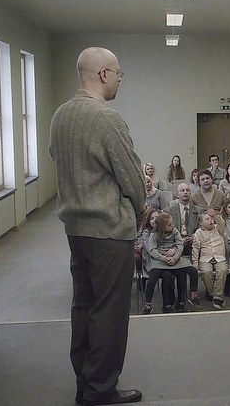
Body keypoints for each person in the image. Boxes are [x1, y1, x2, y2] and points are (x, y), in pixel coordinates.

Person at [49, 46, 144, 405]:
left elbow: (58, 160)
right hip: (109, 233)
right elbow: (133, 178)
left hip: (75, 230)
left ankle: (85, 383)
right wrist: (139, 210)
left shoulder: (60, 116)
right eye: (119, 73)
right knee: (109, 314)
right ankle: (101, 390)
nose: (120, 79)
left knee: (84, 308)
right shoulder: (107, 119)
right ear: (104, 74)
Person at [146, 214, 202, 312]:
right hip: (160, 260)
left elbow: (180, 245)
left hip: (176, 258)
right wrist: (164, 258)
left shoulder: (175, 231)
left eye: (172, 224)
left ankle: (193, 297)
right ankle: (148, 305)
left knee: (193, 271)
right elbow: (152, 250)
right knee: (152, 279)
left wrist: (175, 257)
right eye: (169, 225)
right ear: (162, 227)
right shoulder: (153, 235)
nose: (172, 226)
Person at [192, 213, 230, 309]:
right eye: (207, 219)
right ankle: (212, 293)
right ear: (201, 223)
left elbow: (221, 222)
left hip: (219, 258)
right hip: (205, 258)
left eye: (211, 219)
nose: (211, 220)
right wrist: (195, 263)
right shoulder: (198, 233)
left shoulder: (219, 229)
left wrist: (215, 216)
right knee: (206, 272)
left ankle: (217, 297)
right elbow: (195, 249)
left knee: (222, 270)